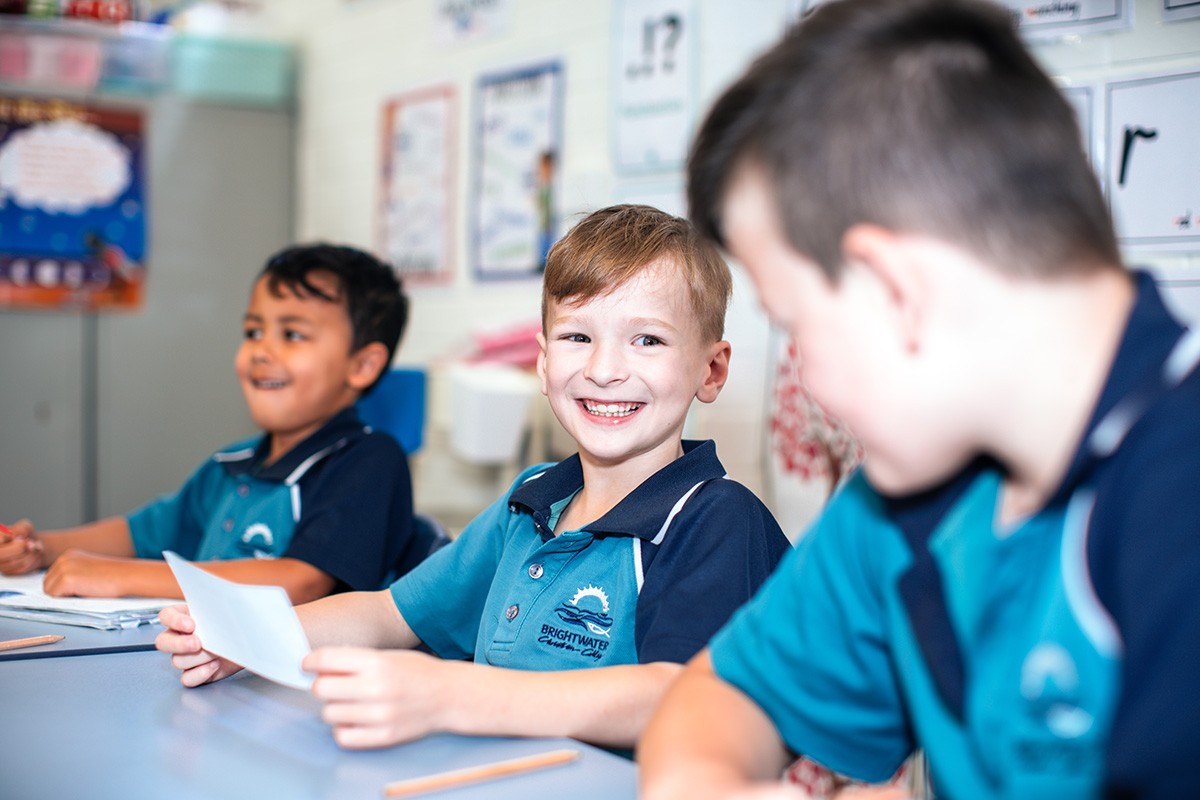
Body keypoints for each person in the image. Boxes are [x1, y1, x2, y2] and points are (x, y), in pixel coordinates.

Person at [638, 1, 1200, 798]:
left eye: (796, 326)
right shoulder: (910, 490)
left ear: (897, 291)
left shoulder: (1174, 505)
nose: (811, 384)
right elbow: (717, 699)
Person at [156, 204, 791, 751]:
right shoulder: (534, 500)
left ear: (711, 369)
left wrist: (456, 694)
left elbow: (676, 694)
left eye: (647, 341)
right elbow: (389, 614)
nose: (604, 369)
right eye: (577, 336)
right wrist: (247, 636)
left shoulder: (716, 518)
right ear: (542, 364)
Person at [0, 244, 416, 604]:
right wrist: (42, 548)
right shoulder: (230, 465)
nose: (261, 351)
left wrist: (121, 576)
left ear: (362, 365)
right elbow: (138, 533)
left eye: (291, 335)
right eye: (253, 332)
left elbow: (301, 582)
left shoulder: (370, 461)